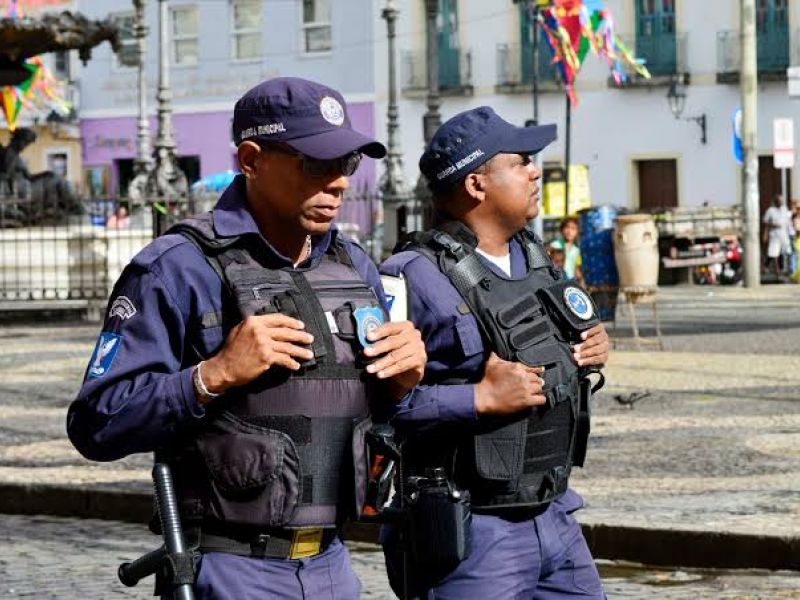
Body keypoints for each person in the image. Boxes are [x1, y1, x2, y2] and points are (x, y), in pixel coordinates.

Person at [67, 77, 427, 600]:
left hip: (334, 565)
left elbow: (378, 417)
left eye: (347, 163)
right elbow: (96, 423)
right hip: (231, 569)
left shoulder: (354, 265)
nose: (339, 183)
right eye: (315, 164)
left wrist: (402, 382)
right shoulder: (179, 267)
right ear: (251, 160)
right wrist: (213, 376)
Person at [380, 106, 609, 599]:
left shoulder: (535, 256)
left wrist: (590, 347)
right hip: (473, 531)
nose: (535, 171)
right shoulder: (407, 277)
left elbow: (562, 343)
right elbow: (374, 411)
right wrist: (478, 399)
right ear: (476, 184)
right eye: (521, 161)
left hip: (555, 513)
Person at [762, 194, 793, 277]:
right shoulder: (770, 210)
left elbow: (788, 222)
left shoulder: (784, 209)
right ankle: (777, 270)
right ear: (775, 202)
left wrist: (791, 232)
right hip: (774, 234)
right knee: (774, 252)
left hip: (784, 234)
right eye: (779, 201)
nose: (781, 203)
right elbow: (765, 223)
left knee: (788, 251)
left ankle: (789, 269)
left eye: (782, 201)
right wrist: (766, 233)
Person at [549, 216, 583, 283]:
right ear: (561, 230)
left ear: (577, 232)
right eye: (567, 227)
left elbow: (577, 268)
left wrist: (582, 284)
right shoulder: (555, 245)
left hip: (570, 282)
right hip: (556, 281)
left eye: (573, 228)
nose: (569, 231)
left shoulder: (576, 250)